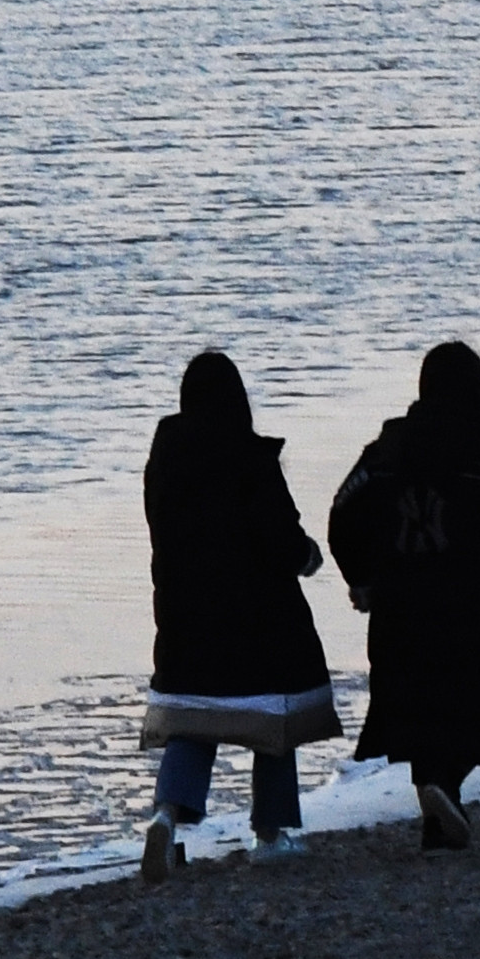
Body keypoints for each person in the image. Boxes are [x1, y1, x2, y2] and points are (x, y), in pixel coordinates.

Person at [329, 338, 480, 852]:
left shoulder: (385, 453)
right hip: (479, 608)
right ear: (477, 390)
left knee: (420, 707)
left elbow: (342, 514)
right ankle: (442, 791)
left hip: (400, 609)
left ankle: (438, 809)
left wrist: (362, 578)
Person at [137, 348, 339, 879]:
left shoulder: (164, 462)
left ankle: (165, 817)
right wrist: (308, 556)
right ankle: (271, 833)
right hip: (255, 623)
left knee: (194, 719)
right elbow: (278, 536)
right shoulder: (251, 459)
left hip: (183, 620)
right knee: (274, 716)